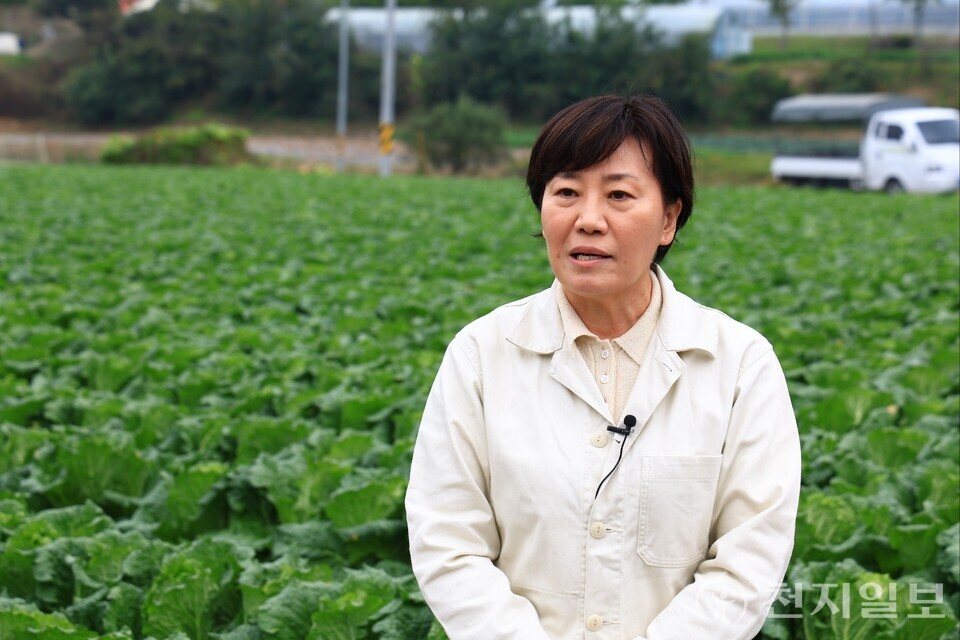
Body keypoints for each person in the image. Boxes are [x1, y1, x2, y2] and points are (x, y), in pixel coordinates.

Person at [405, 94, 801, 640]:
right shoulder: (480, 356)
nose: (588, 220)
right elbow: (448, 544)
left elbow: (749, 561)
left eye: (619, 195)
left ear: (668, 218)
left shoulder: (739, 365)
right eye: (566, 192)